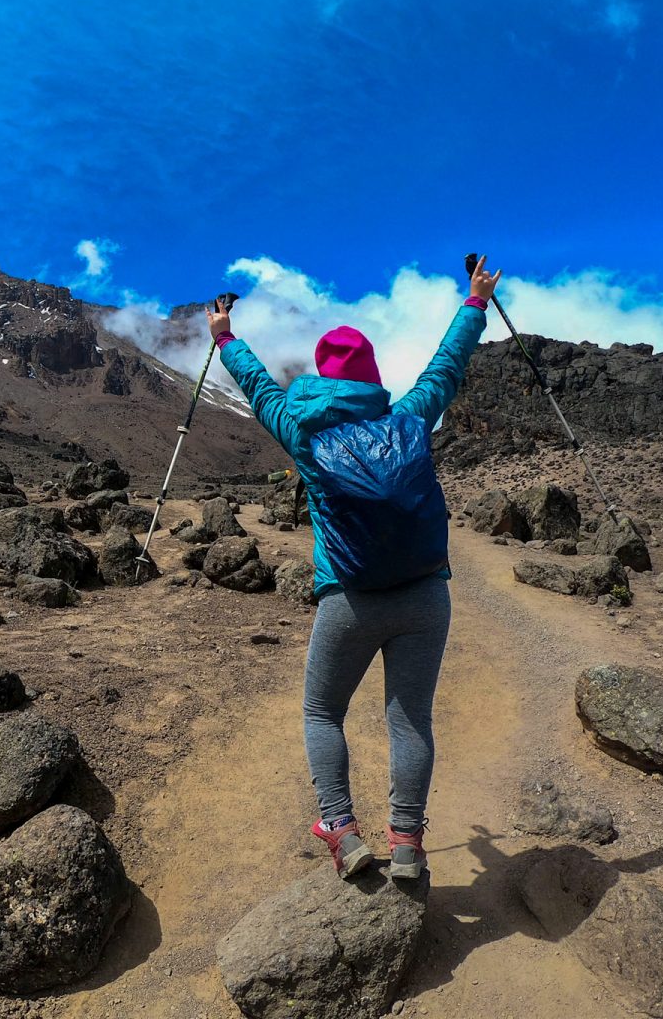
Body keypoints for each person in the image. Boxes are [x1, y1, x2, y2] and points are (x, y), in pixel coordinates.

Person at [206, 255, 502, 879]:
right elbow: (446, 366)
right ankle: (407, 843)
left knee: (322, 713)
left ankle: (341, 830)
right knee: (410, 721)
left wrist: (226, 338)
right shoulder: (410, 419)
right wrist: (475, 301)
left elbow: (258, 387)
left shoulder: (303, 433)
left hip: (349, 597)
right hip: (425, 595)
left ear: (323, 377)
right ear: (371, 376)